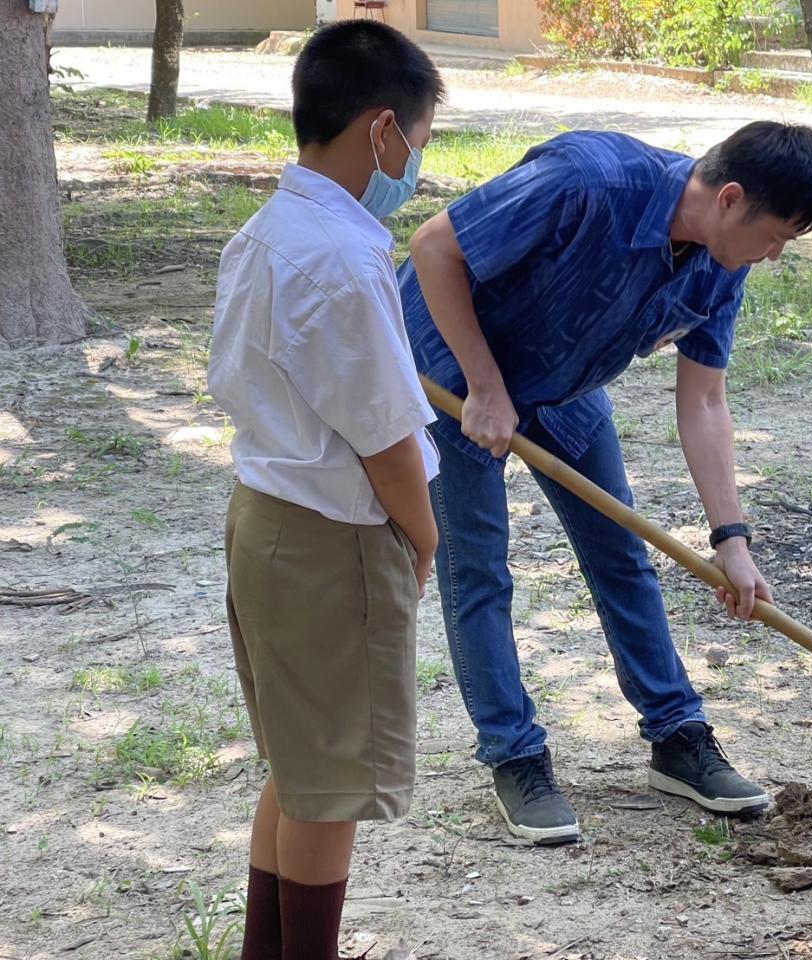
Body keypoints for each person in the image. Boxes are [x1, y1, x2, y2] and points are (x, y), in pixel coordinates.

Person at [400, 120, 812, 845]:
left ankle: (678, 737)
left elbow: (703, 400)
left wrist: (732, 539)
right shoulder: (586, 181)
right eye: (778, 236)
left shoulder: (723, 264)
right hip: (452, 369)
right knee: (478, 568)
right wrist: (482, 384)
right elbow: (433, 247)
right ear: (730, 199)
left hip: (564, 384)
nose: (777, 254)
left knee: (621, 553)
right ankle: (516, 756)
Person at [208, 21, 444, 960]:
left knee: (300, 770)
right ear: (380, 129)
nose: (415, 161)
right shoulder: (342, 259)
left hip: (265, 518)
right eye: (418, 141)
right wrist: (422, 538)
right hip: (330, 539)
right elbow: (386, 438)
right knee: (333, 785)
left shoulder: (271, 228)